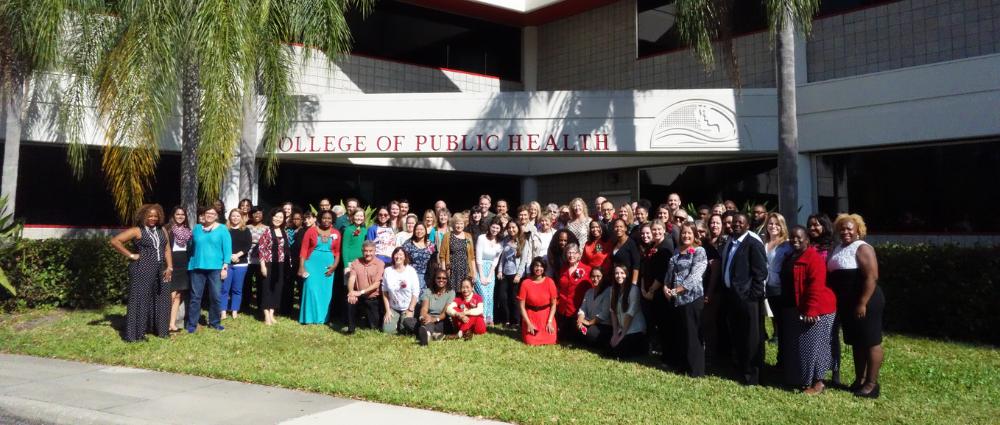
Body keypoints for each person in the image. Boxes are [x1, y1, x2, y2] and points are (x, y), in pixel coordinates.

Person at [829, 214, 885, 399]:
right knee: (857, 343)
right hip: (848, 304)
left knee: (871, 341)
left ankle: (871, 384)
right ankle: (859, 380)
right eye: (842, 228)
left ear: (858, 230)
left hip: (866, 302)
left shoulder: (862, 248)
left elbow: (871, 277)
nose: (845, 231)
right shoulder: (839, 247)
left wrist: (862, 303)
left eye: (849, 228)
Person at [781, 226, 837, 395]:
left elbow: (816, 286)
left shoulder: (813, 259)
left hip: (817, 308)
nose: (795, 240)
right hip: (794, 306)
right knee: (798, 345)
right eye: (792, 238)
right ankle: (800, 378)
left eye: (799, 237)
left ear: (807, 240)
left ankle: (817, 383)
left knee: (814, 347)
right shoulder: (790, 256)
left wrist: (811, 310)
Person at [110, 204, 173, 342]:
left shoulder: (162, 230)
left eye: (155, 216)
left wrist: (170, 267)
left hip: (161, 268)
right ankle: (136, 335)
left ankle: (161, 331)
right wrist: (132, 255)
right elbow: (115, 241)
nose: (153, 218)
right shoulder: (137, 231)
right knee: (140, 300)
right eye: (150, 216)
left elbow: (167, 249)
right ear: (143, 216)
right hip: (142, 268)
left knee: (163, 298)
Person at [719, 213, 768, 386]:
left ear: (748, 226)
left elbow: (761, 272)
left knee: (752, 339)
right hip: (732, 298)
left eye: (741, 222)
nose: (736, 225)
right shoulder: (730, 242)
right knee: (738, 336)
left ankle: (753, 376)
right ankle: (741, 370)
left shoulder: (753, 243)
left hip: (748, 300)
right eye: (734, 222)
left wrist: (752, 296)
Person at [660, 222, 707, 377]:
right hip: (675, 299)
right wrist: (666, 287)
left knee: (692, 334)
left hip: (691, 298)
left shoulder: (699, 251)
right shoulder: (676, 250)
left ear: (695, 234)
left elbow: (695, 276)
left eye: (689, 233)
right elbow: (669, 272)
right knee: (680, 333)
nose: (686, 236)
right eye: (683, 233)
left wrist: (677, 290)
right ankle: (683, 365)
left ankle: (695, 370)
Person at [185, 206, 231, 334]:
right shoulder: (197, 228)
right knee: (195, 297)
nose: (210, 215)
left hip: (216, 268)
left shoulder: (222, 229)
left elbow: (227, 250)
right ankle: (192, 324)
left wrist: (225, 267)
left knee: (216, 296)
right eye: (207, 213)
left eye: (212, 213)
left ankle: (215, 323)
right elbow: (191, 247)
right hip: (197, 267)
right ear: (203, 215)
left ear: (216, 216)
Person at [298, 210, 341, 325]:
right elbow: (303, 249)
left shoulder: (336, 233)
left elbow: (337, 252)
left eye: (329, 218)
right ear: (319, 219)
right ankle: (309, 318)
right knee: (310, 288)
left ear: (332, 220)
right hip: (311, 264)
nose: (326, 220)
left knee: (324, 291)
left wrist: (335, 266)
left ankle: (322, 318)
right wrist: (301, 267)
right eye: (324, 218)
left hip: (328, 265)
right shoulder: (311, 231)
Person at [640, 220, 673, 357]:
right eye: (654, 230)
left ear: (664, 229)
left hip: (659, 292)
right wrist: (643, 287)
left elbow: (662, 273)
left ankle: (667, 355)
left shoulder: (666, 247)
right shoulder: (652, 246)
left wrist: (652, 291)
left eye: (659, 229)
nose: (656, 232)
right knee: (651, 321)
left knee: (664, 325)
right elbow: (644, 268)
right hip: (647, 290)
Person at [764, 213, 792, 352]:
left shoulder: (786, 245)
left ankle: (784, 357)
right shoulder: (764, 244)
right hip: (768, 288)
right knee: (776, 321)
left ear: (782, 226)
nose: (773, 226)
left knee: (783, 324)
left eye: (776, 224)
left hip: (781, 288)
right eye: (770, 223)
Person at [608, 263, 647, 359]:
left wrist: (622, 336)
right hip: (622, 329)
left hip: (635, 329)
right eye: (617, 273)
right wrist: (615, 334)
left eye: (622, 273)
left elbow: (629, 314)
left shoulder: (634, 290)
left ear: (627, 274)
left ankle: (645, 347)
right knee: (608, 350)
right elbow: (612, 312)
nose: (619, 276)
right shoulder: (613, 290)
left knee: (619, 352)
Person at [258, 208, 289, 326]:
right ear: (272, 217)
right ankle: (266, 316)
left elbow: (286, 251)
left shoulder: (284, 232)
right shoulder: (266, 231)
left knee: (277, 288)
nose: (278, 219)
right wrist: (263, 266)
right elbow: (261, 249)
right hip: (268, 263)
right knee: (267, 289)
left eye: (281, 217)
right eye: (276, 216)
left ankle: (272, 314)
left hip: (281, 264)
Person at [556, 243, 593, 342]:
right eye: (568, 253)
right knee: (562, 338)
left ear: (578, 254)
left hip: (577, 310)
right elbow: (560, 287)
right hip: (563, 309)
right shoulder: (563, 269)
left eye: (573, 253)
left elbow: (591, 290)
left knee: (576, 339)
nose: (571, 255)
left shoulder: (587, 269)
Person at [346, 241, 384, 334]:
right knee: (350, 301)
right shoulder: (356, 262)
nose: (368, 253)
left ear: (375, 251)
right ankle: (351, 329)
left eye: (370, 251)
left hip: (373, 298)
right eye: (365, 251)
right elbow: (351, 279)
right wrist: (351, 292)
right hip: (360, 297)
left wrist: (360, 292)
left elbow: (376, 284)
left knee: (373, 327)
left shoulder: (380, 264)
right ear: (362, 251)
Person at [518, 257, 558, 345]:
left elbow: (554, 305)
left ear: (544, 268)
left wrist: (550, 321)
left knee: (551, 340)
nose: (538, 268)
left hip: (546, 317)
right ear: (532, 267)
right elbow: (521, 306)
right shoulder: (525, 283)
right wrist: (528, 324)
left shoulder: (550, 282)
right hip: (531, 317)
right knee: (530, 341)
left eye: (541, 266)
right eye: (536, 266)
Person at [380, 247, 420, 335]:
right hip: (393, 307)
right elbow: (384, 292)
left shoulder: (411, 271)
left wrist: (410, 310)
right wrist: (387, 310)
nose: (398, 257)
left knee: (404, 331)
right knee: (387, 331)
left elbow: (416, 292)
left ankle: (400, 324)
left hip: (407, 308)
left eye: (401, 254)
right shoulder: (388, 271)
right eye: (396, 254)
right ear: (393, 256)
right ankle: (395, 323)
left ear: (405, 257)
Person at [164, 206, 191, 332]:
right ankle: (163, 323)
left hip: (183, 262)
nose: (180, 216)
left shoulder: (187, 230)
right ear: (173, 215)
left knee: (179, 294)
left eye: (182, 214)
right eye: (178, 214)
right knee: (171, 295)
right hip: (172, 262)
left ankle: (172, 324)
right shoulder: (167, 229)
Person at [221, 209, 251, 320]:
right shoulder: (225, 230)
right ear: (230, 217)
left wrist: (237, 255)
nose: (235, 218)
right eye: (233, 216)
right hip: (226, 264)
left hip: (241, 264)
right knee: (224, 289)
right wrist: (229, 257)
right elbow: (221, 245)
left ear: (241, 217)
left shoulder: (245, 230)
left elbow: (248, 245)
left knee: (237, 289)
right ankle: (223, 311)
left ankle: (234, 311)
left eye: (238, 216)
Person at [498, 219, 527, 328]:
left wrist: (519, 274)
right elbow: (502, 258)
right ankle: (507, 319)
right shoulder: (506, 239)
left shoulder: (524, 241)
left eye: (513, 227)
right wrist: (500, 270)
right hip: (505, 272)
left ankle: (516, 321)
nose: (511, 230)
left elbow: (524, 260)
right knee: (503, 297)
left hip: (516, 273)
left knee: (515, 298)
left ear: (518, 228)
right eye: (509, 228)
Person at [415, 270, 456, 345]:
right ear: (434, 279)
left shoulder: (451, 293)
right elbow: (424, 308)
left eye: (444, 278)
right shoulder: (428, 291)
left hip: (442, 320)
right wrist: (423, 318)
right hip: (429, 318)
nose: (441, 280)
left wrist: (434, 319)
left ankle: (426, 335)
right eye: (439, 278)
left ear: (447, 280)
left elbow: (445, 312)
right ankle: (434, 334)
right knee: (407, 321)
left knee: (432, 324)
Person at [475, 218, 503, 325]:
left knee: (490, 295)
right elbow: (478, 257)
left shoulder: (500, 242)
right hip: (480, 269)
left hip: (491, 270)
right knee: (482, 294)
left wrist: (490, 276)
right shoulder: (482, 238)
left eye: (497, 228)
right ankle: (480, 317)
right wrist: (481, 276)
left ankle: (488, 318)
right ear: (489, 227)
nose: (495, 230)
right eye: (493, 227)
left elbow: (496, 260)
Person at [439, 213, 475, 294]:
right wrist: (444, 273)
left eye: (461, 223)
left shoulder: (468, 236)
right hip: (452, 271)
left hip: (465, 270)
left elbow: (472, 256)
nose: (459, 226)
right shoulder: (447, 235)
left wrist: (474, 273)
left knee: (465, 293)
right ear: (453, 224)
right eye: (457, 223)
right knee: (451, 293)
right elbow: (442, 256)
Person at [576, 267, 612, 348]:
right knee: (574, 326)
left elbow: (604, 314)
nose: (595, 279)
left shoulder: (608, 291)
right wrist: (580, 321)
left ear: (603, 277)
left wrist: (589, 323)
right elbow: (583, 308)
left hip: (603, 324)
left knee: (590, 333)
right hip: (589, 321)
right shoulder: (589, 291)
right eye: (593, 276)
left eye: (598, 276)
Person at [402, 222, 435, 296]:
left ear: (425, 230)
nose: (419, 231)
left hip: (427, 277)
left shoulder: (431, 245)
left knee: (424, 301)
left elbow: (435, 260)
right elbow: (402, 258)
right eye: (417, 229)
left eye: (421, 229)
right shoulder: (408, 244)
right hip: (412, 275)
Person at [244, 206, 267, 311]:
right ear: (251, 216)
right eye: (254, 214)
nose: (257, 216)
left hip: (261, 261)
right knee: (246, 283)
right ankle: (245, 305)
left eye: (259, 214)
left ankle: (261, 306)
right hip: (247, 259)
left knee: (260, 284)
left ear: (262, 215)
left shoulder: (266, 228)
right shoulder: (246, 227)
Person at [283, 211, 305, 315]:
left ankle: (302, 309)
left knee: (301, 286)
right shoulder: (288, 231)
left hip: (300, 262)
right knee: (288, 286)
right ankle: (287, 309)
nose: (296, 221)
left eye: (298, 219)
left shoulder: (305, 231)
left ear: (302, 220)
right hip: (289, 261)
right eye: (294, 219)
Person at [610, 219, 641, 289]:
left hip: (628, 280)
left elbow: (636, 263)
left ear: (625, 228)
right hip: (618, 280)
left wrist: (634, 282)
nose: (618, 229)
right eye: (616, 226)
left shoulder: (631, 243)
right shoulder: (615, 244)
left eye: (621, 226)